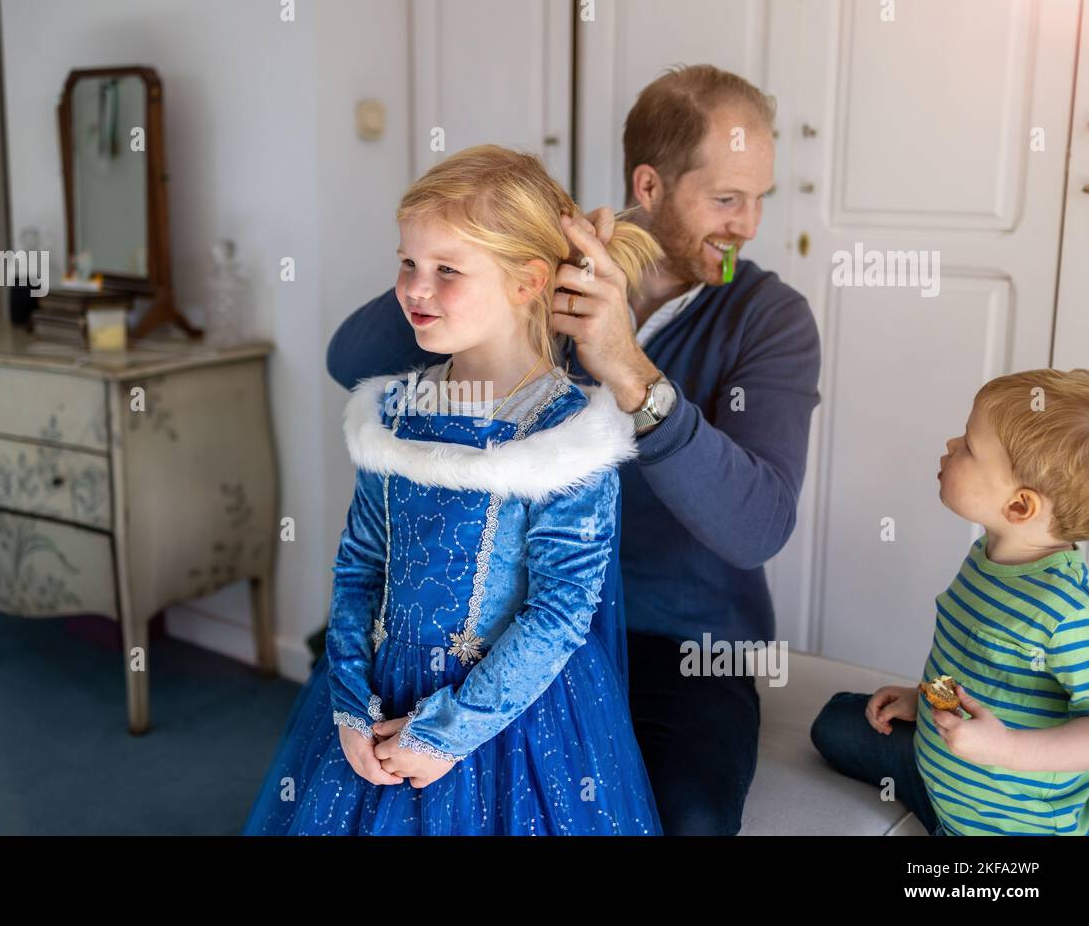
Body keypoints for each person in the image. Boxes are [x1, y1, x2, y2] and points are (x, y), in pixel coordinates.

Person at [325, 65, 822, 833]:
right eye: (726, 198)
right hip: (492, 618)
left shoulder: (770, 318)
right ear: (648, 187)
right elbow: (348, 361)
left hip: (679, 643)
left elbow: (757, 526)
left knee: (684, 816)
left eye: (761, 198)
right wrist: (492, 255)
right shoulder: (538, 285)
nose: (749, 223)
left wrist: (629, 370)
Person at [243, 144, 664, 834]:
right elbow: (360, 567)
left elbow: (560, 610)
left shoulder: (567, 435)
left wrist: (446, 731)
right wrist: (350, 704)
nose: (415, 288)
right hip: (380, 695)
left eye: (447, 270)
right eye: (408, 262)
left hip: (508, 719)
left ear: (528, 282)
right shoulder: (393, 412)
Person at [811, 369, 1089, 835]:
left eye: (969, 448)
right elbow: (974, 664)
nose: (950, 443)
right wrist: (924, 702)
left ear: (1020, 507)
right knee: (836, 724)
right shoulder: (987, 555)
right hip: (940, 771)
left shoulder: (1066, 609)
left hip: (1007, 822)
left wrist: (1005, 750)